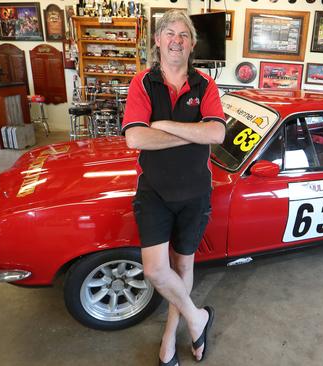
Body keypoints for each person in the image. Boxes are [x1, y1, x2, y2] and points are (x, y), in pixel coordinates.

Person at [121, 10, 226, 366]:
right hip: (155, 191)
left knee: (183, 267)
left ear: (192, 43)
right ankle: (198, 318)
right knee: (155, 270)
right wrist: (191, 132)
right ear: (158, 40)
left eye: (183, 34)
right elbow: (135, 138)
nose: (176, 39)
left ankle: (169, 338)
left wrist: (163, 124)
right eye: (169, 33)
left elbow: (216, 134)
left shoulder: (205, 84)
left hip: (195, 192)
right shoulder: (143, 83)